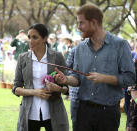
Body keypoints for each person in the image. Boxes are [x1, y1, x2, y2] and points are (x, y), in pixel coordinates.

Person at [54, 3, 136, 131]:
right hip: (83, 111)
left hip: (108, 113)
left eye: (81, 23)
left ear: (94, 22)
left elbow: (130, 78)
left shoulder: (120, 45)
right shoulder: (80, 48)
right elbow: (77, 78)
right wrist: (66, 80)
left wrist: (105, 78)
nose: (78, 27)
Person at [12, 23, 69, 131]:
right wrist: (35, 92)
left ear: (45, 38)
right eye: (29, 37)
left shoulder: (57, 57)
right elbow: (16, 89)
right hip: (30, 113)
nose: (30, 41)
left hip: (54, 113)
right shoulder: (22, 58)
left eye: (35, 37)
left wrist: (59, 88)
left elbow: (67, 88)